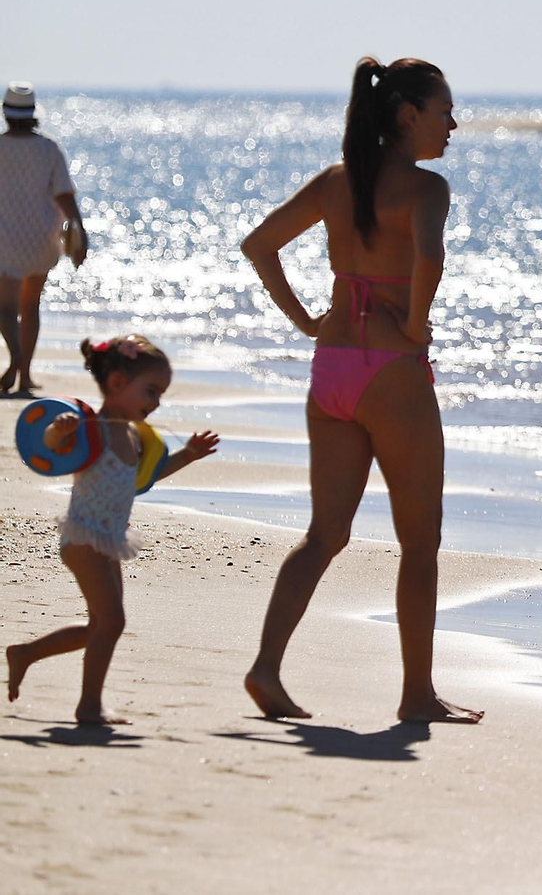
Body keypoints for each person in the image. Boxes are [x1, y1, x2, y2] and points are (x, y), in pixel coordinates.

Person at [240, 56, 481, 724]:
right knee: (420, 543)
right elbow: (429, 256)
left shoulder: (334, 182)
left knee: (324, 534)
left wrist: (305, 319)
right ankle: (416, 695)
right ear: (409, 114)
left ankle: (265, 667)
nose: (453, 124)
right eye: (444, 111)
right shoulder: (426, 188)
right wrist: (415, 320)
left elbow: (259, 245)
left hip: (332, 366)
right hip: (390, 373)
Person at [6, 335, 218, 724]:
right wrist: (59, 429)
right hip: (84, 538)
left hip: (109, 540)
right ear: (118, 384)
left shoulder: (134, 435)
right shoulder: (93, 428)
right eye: (151, 391)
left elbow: (147, 477)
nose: (156, 403)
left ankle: (25, 654)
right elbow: (54, 447)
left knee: (99, 626)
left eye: (161, 395)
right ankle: (89, 706)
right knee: (113, 622)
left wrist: (187, 454)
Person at [0, 81, 89, 397]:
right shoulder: (49, 149)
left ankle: (15, 359)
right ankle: (24, 376)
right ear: (33, 113)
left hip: (4, 239)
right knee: (31, 304)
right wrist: (80, 227)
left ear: (5, 113)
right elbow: (64, 196)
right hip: (41, 238)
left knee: (6, 308)